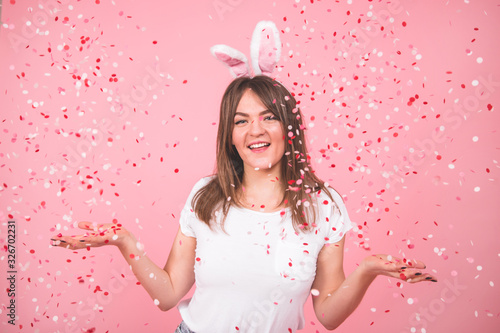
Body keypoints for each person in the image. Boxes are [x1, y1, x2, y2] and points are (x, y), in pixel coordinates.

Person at [51, 75, 437, 332]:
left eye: (269, 117)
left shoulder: (324, 205)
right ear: (230, 136)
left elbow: (328, 314)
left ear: (289, 128)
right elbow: (168, 295)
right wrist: (126, 243)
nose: (256, 130)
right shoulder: (206, 197)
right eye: (241, 121)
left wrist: (368, 269)